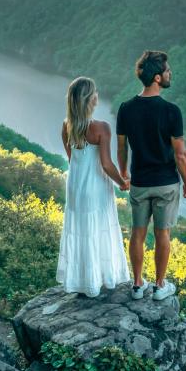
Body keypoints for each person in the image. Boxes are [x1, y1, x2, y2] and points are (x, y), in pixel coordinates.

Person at [116, 50, 186, 301]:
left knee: (137, 233)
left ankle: (137, 285)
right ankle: (159, 286)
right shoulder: (172, 111)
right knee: (163, 234)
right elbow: (181, 154)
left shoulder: (126, 109)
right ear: (157, 78)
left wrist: (124, 173)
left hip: (139, 182)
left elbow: (122, 147)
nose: (171, 74)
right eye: (168, 71)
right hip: (166, 182)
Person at [56, 77, 131, 298]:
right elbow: (106, 164)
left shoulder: (66, 126)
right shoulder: (101, 128)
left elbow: (73, 160)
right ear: (90, 99)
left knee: (81, 230)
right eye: (95, 92)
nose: (98, 95)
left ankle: (83, 281)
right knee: (97, 228)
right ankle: (100, 278)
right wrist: (122, 183)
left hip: (76, 185)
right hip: (96, 186)